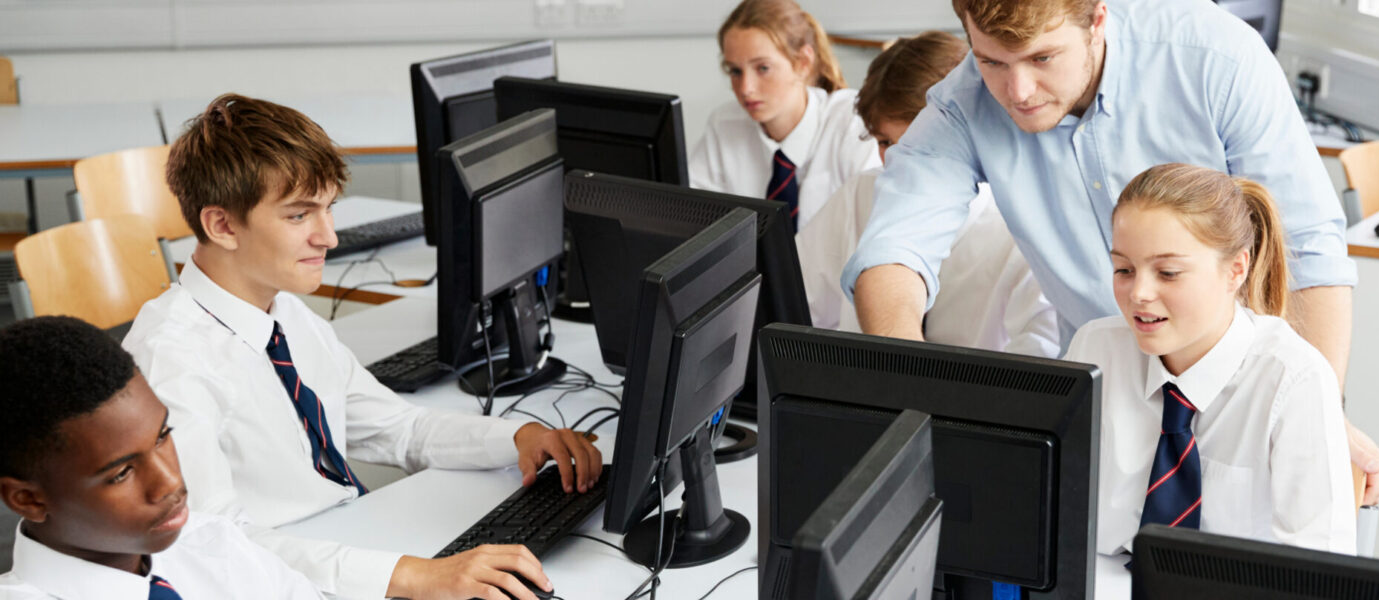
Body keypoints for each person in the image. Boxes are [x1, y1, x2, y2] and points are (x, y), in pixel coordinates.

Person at [839, 0, 1379, 501]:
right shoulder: (964, 102)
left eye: (1043, 57)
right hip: (1110, 407)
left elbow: (1309, 249)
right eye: (992, 62)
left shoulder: (1215, 56)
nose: (1019, 90)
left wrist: (1318, 416)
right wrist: (911, 393)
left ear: (1097, 19)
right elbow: (893, 250)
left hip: (1251, 398)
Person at [121, 94, 602, 600]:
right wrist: (413, 576)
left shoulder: (282, 311)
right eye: (298, 216)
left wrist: (517, 439)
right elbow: (215, 547)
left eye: (328, 209)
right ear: (222, 226)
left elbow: (398, 427)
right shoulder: (170, 361)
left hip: (344, 545)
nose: (327, 236)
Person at [1065, 164, 1354, 555]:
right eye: (1124, 269)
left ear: (1236, 269)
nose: (1139, 294)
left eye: (1167, 273)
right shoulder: (1095, 351)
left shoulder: (1294, 379)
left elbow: (1318, 566)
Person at [0, 316, 322, 599]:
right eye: (122, 473)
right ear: (28, 499)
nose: (169, 483)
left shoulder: (214, 545)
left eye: (162, 436)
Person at [798, 30, 1059, 356]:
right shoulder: (858, 195)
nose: (896, 161)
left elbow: (1042, 356)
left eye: (914, 146)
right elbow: (798, 309)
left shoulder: (1020, 226)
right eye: (884, 142)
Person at [689, 0, 881, 231]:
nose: (746, 88)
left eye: (763, 68)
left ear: (803, 63)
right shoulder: (725, 125)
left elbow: (875, 229)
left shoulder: (852, 122)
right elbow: (690, 218)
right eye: (735, 71)